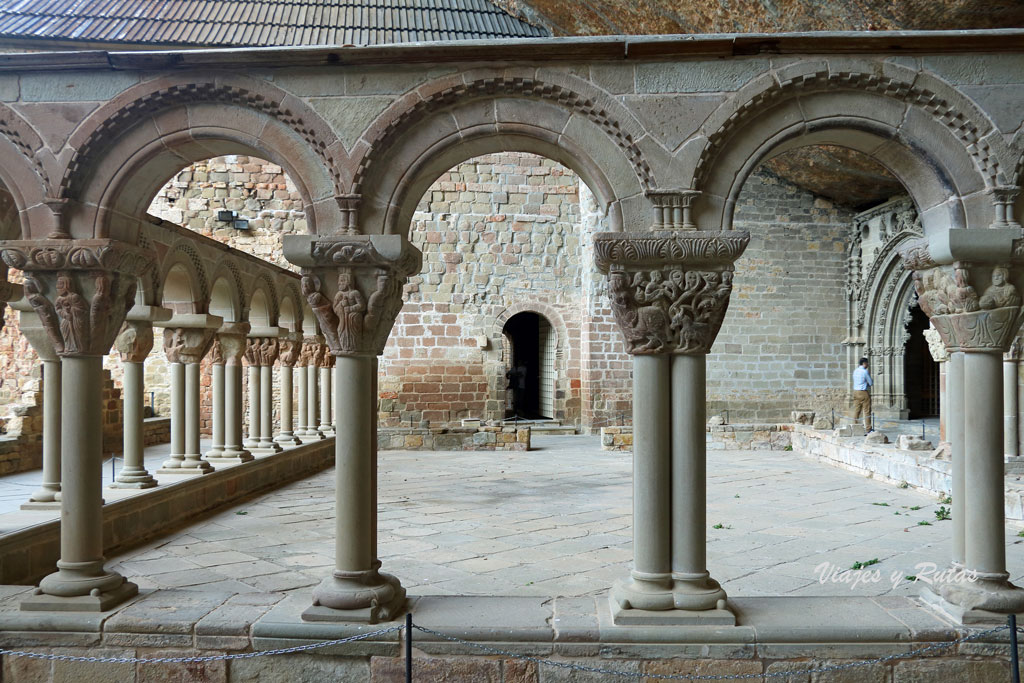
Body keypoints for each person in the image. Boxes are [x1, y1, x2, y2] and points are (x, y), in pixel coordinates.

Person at [852, 357, 873, 431]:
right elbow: (870, 383)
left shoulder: (855, 371)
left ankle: (854, 427)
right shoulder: (864, 371)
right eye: (867, 363)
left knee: (856, 410)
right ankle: (868, 428)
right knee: (867, 410)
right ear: (864, 363)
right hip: (863, 392)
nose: (868, 365)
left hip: (855, 391)